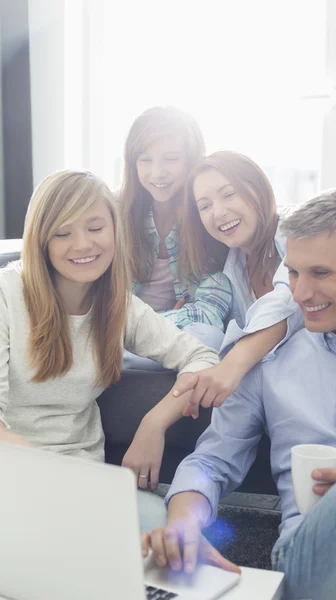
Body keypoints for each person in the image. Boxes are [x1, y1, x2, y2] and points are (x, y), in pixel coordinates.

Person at [143, 189, 336, 600]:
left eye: (320, 273)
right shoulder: (269, 359)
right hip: (316, 554)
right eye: (293, 273)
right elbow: (211, 461)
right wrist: (183, 524)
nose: (299, 295)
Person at [0, 169, 220, 530]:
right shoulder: (7, 296)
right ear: (42, 240)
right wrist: (44, 481)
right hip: (15, 478)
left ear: (115, 230)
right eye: (63, 232)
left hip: (84, 480)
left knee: (158, 529)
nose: (84, 245)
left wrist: (153, 424)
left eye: (96, 227)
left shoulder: (119, 305)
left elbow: (202, 357)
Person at [173, 151, 300, 417]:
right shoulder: (231, 270)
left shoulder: (297, 229)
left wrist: (232, 365)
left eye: (229, 194)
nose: (218, 213)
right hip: (263, 398)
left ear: (258, 187)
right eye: (205, 206)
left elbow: (292, 298)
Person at [119, 107, 233, 371]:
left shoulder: (209, 217)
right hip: (118, 336)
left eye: (171, 159)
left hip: (171, 337)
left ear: (192, 160)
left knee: (210, 337)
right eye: (145, 160)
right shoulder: (116, 212)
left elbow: (210, 311)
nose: (157, 173)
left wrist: (144, 324)